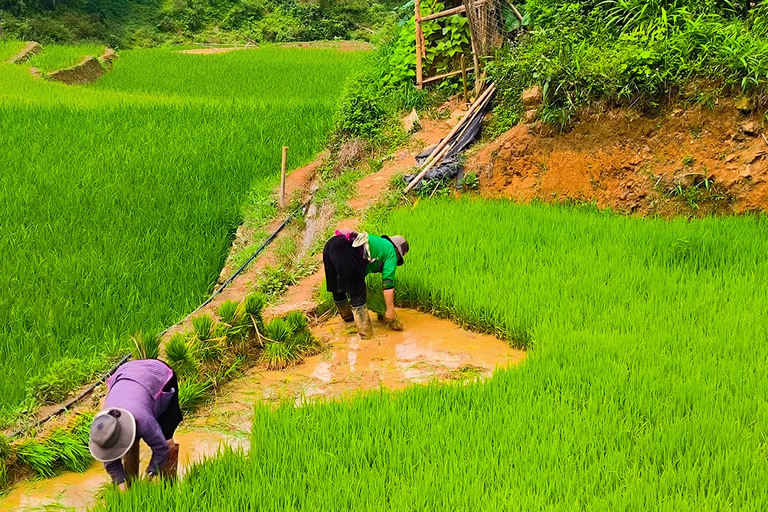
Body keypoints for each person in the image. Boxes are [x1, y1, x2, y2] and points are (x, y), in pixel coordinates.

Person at [89, 359, 182, 490]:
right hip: (127, 374)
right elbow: (108, 457)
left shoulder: (142, 419)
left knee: (166, 439)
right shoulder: (102, 427)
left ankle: (169, 488)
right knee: (129, 443)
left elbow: (160, 448)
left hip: (159, 376)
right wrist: (123, 489)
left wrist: (149, 476)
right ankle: (132, 486)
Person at [323, 230, 409, 338]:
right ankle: (366, 335)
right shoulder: (391, 252)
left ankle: (349, 321)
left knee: (337, 287)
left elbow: (357, 275)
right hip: (347, 249)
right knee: (358, 296)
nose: (396, 260)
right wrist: (390, 309)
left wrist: (372, 298)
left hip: (331, 244)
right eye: (399, 258)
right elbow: (388, 284)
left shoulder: (377, 245)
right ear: (398, 251)